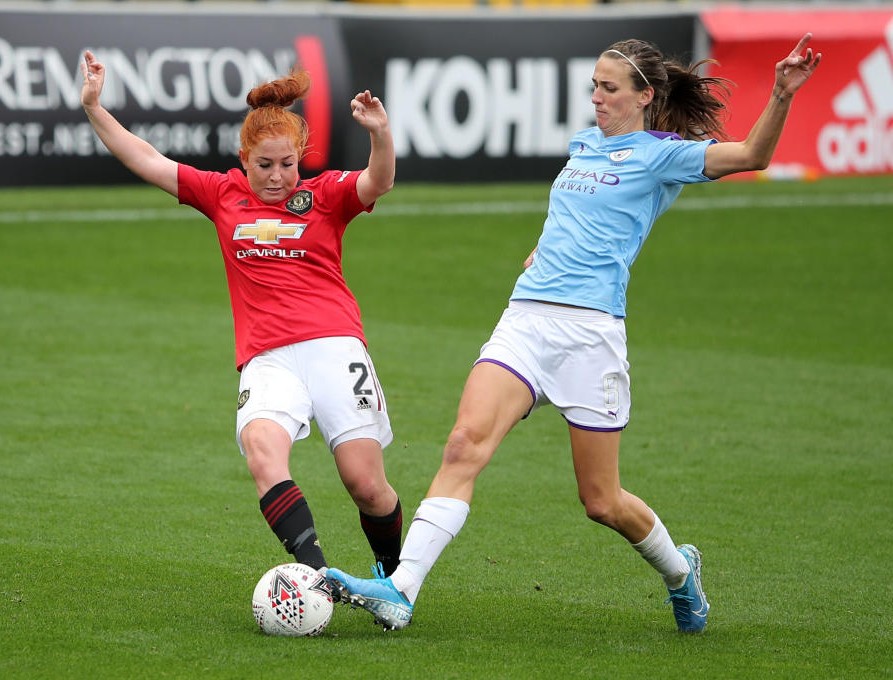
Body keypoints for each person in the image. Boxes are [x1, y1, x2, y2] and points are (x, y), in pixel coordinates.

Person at [326, 34, 821, 632]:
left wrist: (782, 92)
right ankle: (401, 591)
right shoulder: (584, 144)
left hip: (591, 337)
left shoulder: (663, 154)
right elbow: (575, 215)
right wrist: (544, 249)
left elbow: (751, 156)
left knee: (602, 502)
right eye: (593, 86)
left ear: (643, 97)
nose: (596, 98)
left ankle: (679, 572)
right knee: (463, 445)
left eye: (609, 89)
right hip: (527, 320)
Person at [80, 51, 405, 580]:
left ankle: (394, 580)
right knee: (262, 452)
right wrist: (95, 107)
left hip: (334, 346)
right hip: (267, 357)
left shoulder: (325, 195)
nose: (277, 177)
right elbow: (145, 158)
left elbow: (380, 181)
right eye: (264, 165)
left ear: (301, 156)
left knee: (366, 486)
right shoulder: (222, 193)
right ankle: (318, 578)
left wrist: (380, 134)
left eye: (287, 164)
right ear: (243, 157)